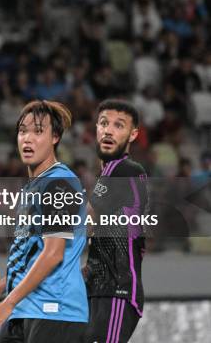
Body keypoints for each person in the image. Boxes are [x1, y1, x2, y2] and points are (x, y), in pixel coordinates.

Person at [0, 100, 88, 342]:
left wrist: (8, 302)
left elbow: (53, 254)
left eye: (38, 131)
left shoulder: (59, 183)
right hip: (25, 309)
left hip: (56, 311)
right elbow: (30, 257)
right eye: (22, 131)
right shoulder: (31, 190)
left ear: (55, 137)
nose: (27, 139)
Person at [84, 99, 148, 343]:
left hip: (115, 290)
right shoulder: (116, 174)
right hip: (102, 288)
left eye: (119, 125)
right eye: (103, 123)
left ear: (133, 134)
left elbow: (85, 223)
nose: (108, 130)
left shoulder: (121, 168)